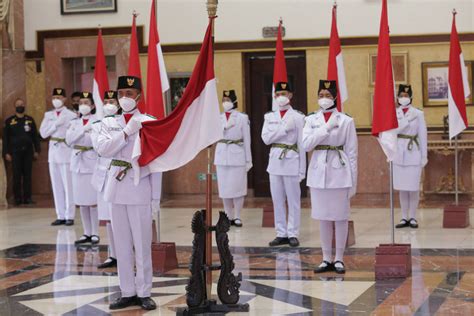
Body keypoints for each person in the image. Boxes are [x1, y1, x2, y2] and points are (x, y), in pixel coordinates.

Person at [96, 76, 160, 311]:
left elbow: (156, 162)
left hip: (139, 184)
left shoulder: (149, 122)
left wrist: (156, 197)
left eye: (129, 93)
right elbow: (103, 149)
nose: (124, 98)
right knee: (121, 244)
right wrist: (125, 133)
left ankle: (144, 292)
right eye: (121, 93)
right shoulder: (108, 122)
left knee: (142, 243)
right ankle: (127, 291)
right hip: (116, 186)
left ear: (139, 96)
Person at [302, 80, 358, 274]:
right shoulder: (311, 120)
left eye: (327, 95)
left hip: (340, 172)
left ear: (335, 97)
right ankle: (326, 258)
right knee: (323, 217)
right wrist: (325, 128)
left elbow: (352, 153)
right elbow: (306, 144)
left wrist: (354, 181)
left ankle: (339, 258)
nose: (323, 99)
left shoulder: (346, 120)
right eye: (320, 95)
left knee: (340, 217)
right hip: (318, 172)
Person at [261, 82, 306, 247]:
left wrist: (303, 170)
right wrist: (284, 130)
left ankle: (293, 233)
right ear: (274, 96)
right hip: (274, 162)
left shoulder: (299, 117)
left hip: (292, 161)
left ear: (291, 95)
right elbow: (266, 139)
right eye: (278, 93)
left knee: (293, 199)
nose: (281, 96)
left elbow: (302, 145)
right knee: (277, 199)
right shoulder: (269, 117)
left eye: (284, 93)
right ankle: (281, 233)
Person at [65, 92, 99, 245]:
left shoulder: (97, 121)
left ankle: (95, 233)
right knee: (81, 200)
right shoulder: (74, 122)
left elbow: (94, 140)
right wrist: (83, 130)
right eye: (81, 102)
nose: (83, 105)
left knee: (92, 201)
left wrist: (83, 135)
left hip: (91, 162)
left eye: (87, 102)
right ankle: (86, 232)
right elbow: (69, 140)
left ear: (92, 106)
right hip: (77, 162)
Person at [214, 90, 252, 227]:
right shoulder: (218, 118)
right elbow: (214, 135)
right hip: (222, 155)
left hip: (237, 155)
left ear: (234, 101)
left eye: (228, 100)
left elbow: (247, 139)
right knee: (224, 188)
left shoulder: (242, 118)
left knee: (238, 187)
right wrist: (224, 126)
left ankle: (237, 216)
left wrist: (249, 160)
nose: (225, 103)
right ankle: (227, 216)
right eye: (224, 100)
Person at [39, 88, 77, 226]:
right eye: (54, 97)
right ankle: (60, 215)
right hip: (53, 152)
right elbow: (43, 134)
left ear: (65, 99)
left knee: (68, 185)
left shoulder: (71, 115)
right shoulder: (48, 115)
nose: (57, 100)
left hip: (66, 151)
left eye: (59, 97)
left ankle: (70, 215)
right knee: (56, 186)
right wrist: (55, 124)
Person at [91, 90, 119, 268]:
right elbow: (99, 148)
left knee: (120, 218)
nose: (109, 104)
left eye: (112, 100)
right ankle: (113, 254)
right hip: (102, 175)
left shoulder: (126, 123)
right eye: (106, 100)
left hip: (119, 174)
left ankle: (125, 252)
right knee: (108, 219)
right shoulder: (97, 124)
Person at [394, 84, 428, 229]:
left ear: (411, 97)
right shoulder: (394, 113)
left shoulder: (418, 113)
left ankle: (413, 216)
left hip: (413, 151)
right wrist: (406, 121)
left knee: (413, 187)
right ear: (397, 97)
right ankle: (403, 217)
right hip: (398, 152)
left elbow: (423, 135)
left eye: (406, 96)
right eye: (401, 95)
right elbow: (392, 132)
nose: (403, 98)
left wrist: (424, 155)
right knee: (402, 187)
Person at [3, 98, 41, 205]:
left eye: (22, 104)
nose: (20, 106)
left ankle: (28, 198)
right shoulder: (9, 121)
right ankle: (17, 199)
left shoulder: (30, 120)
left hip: (28, 152)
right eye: (18, 105)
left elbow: (35, 136)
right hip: (15, 152)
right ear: (15, 107)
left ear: (24, 106)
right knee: (16, 176)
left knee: (28, 175)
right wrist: (6, 152)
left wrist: (37, 150)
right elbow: (5, 138)